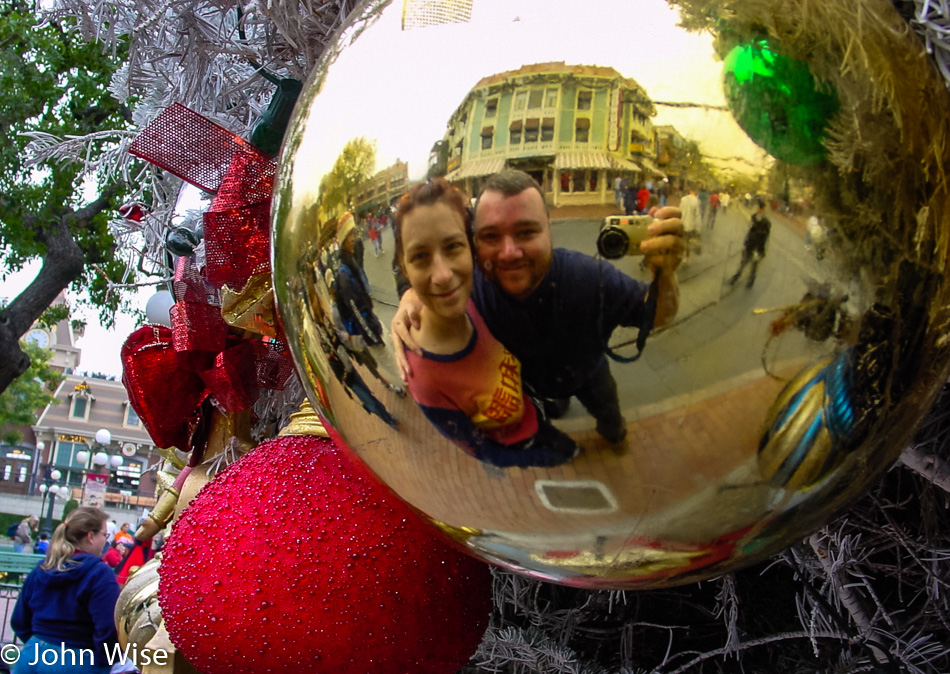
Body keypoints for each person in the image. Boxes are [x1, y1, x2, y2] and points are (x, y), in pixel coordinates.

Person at [393, 170, 683, 447]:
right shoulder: (470, 285)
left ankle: (614, 436)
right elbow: (435, 273)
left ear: (549, 229)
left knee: (611, 421)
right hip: (529, 389)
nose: (509, 252)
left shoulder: (590, 276)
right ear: (474, 242)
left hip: (590, 377)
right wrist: (409, 300)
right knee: (554, 412)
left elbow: (659, 314)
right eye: (491, 237)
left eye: (526, 232)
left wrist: (666, 274)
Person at [393, 178, 578, 467]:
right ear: (404, 267)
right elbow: (481, 451)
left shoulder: (476, 294)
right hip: (522, 446)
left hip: (535, 411)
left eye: (453, 247)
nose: (442, 275)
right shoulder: (425, 377)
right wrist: (542, 459)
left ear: (471, 249)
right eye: (420, 256)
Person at [11, 507, 120, 673]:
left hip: (32, 655)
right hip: (78, 659)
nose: (106, 541)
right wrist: (107, 661)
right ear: (91, 536)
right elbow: (108, 628)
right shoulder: (99, 573)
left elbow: (19, 620)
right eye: (105, 535)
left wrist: (38, 643)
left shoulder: (42, 568)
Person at [334, 211, 384, 347]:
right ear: (343, 241)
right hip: (367, 326)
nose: (353, 239)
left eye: (353, 234)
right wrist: (373, 337)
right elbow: (356, 312)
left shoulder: (351, 261)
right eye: (349, 235)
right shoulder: (344, 275)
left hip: (369, 318)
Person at [730, 199, 772, 288]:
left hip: (757, 246)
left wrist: (762, 250)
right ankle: (737, 278)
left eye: (759, 208)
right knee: (745, 263)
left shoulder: (766, 222)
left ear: (762, 209)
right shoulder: (754, 217)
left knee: (752, 265)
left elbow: (765, 237)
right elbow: (750, 231)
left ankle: (749, 281)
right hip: (751, 245)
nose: (757, 209)